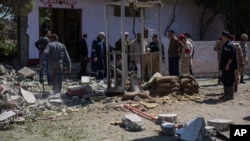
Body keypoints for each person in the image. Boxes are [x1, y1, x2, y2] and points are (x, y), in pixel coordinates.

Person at [219, 31, 237, 101]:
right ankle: (226, 94)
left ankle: (230, 95)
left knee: (229, 80)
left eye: (222, 37)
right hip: (224, 67)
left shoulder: (230, 45)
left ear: (225, 37)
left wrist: (227, 65)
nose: (221, 38)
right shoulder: (225, 45)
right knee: (225, 80)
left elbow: (232, 57)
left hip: (229, 67)